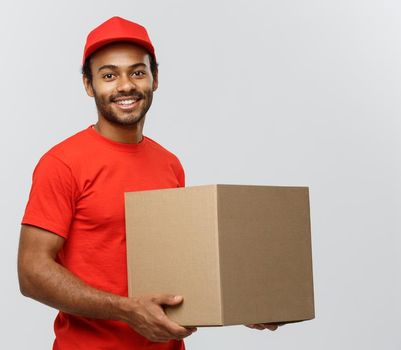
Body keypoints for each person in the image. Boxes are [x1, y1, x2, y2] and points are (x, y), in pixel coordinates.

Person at [17, 16, 280, 350]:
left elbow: (182, 263)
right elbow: (31, 272)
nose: (125, 85)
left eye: (137, 72)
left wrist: (242, 303)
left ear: (154, 79)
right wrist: (126, 310)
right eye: (109, 75)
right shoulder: (62, 163)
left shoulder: (169, 164)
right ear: (88, 85)